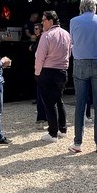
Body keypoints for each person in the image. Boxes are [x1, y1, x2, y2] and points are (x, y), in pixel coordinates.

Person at [69, 0, 97, 154]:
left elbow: (73, 40)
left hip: (80, 63)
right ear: (94, 7)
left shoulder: (74, 21)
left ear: (81, 6)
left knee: (80, 102)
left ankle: (77, 142)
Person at [35, 10, 71, 142]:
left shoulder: (46, 35)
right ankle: (62, 129)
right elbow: (69, 53)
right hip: (62, 70)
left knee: (49, 103)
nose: (42, 23)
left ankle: (53, 133)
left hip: (48, 71)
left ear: (51, 21)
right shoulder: (66, 34)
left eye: (44, 20)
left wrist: (37, 72)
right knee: (58, 100)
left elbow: (40, 56)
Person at [29, 22, 47, 125]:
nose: (35, 30)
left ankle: (42, 116)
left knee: (41, 93)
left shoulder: (42, 37)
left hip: (42, 68)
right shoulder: (40, 37)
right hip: (43, 68)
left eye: (36, 28)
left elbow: (39, 52)